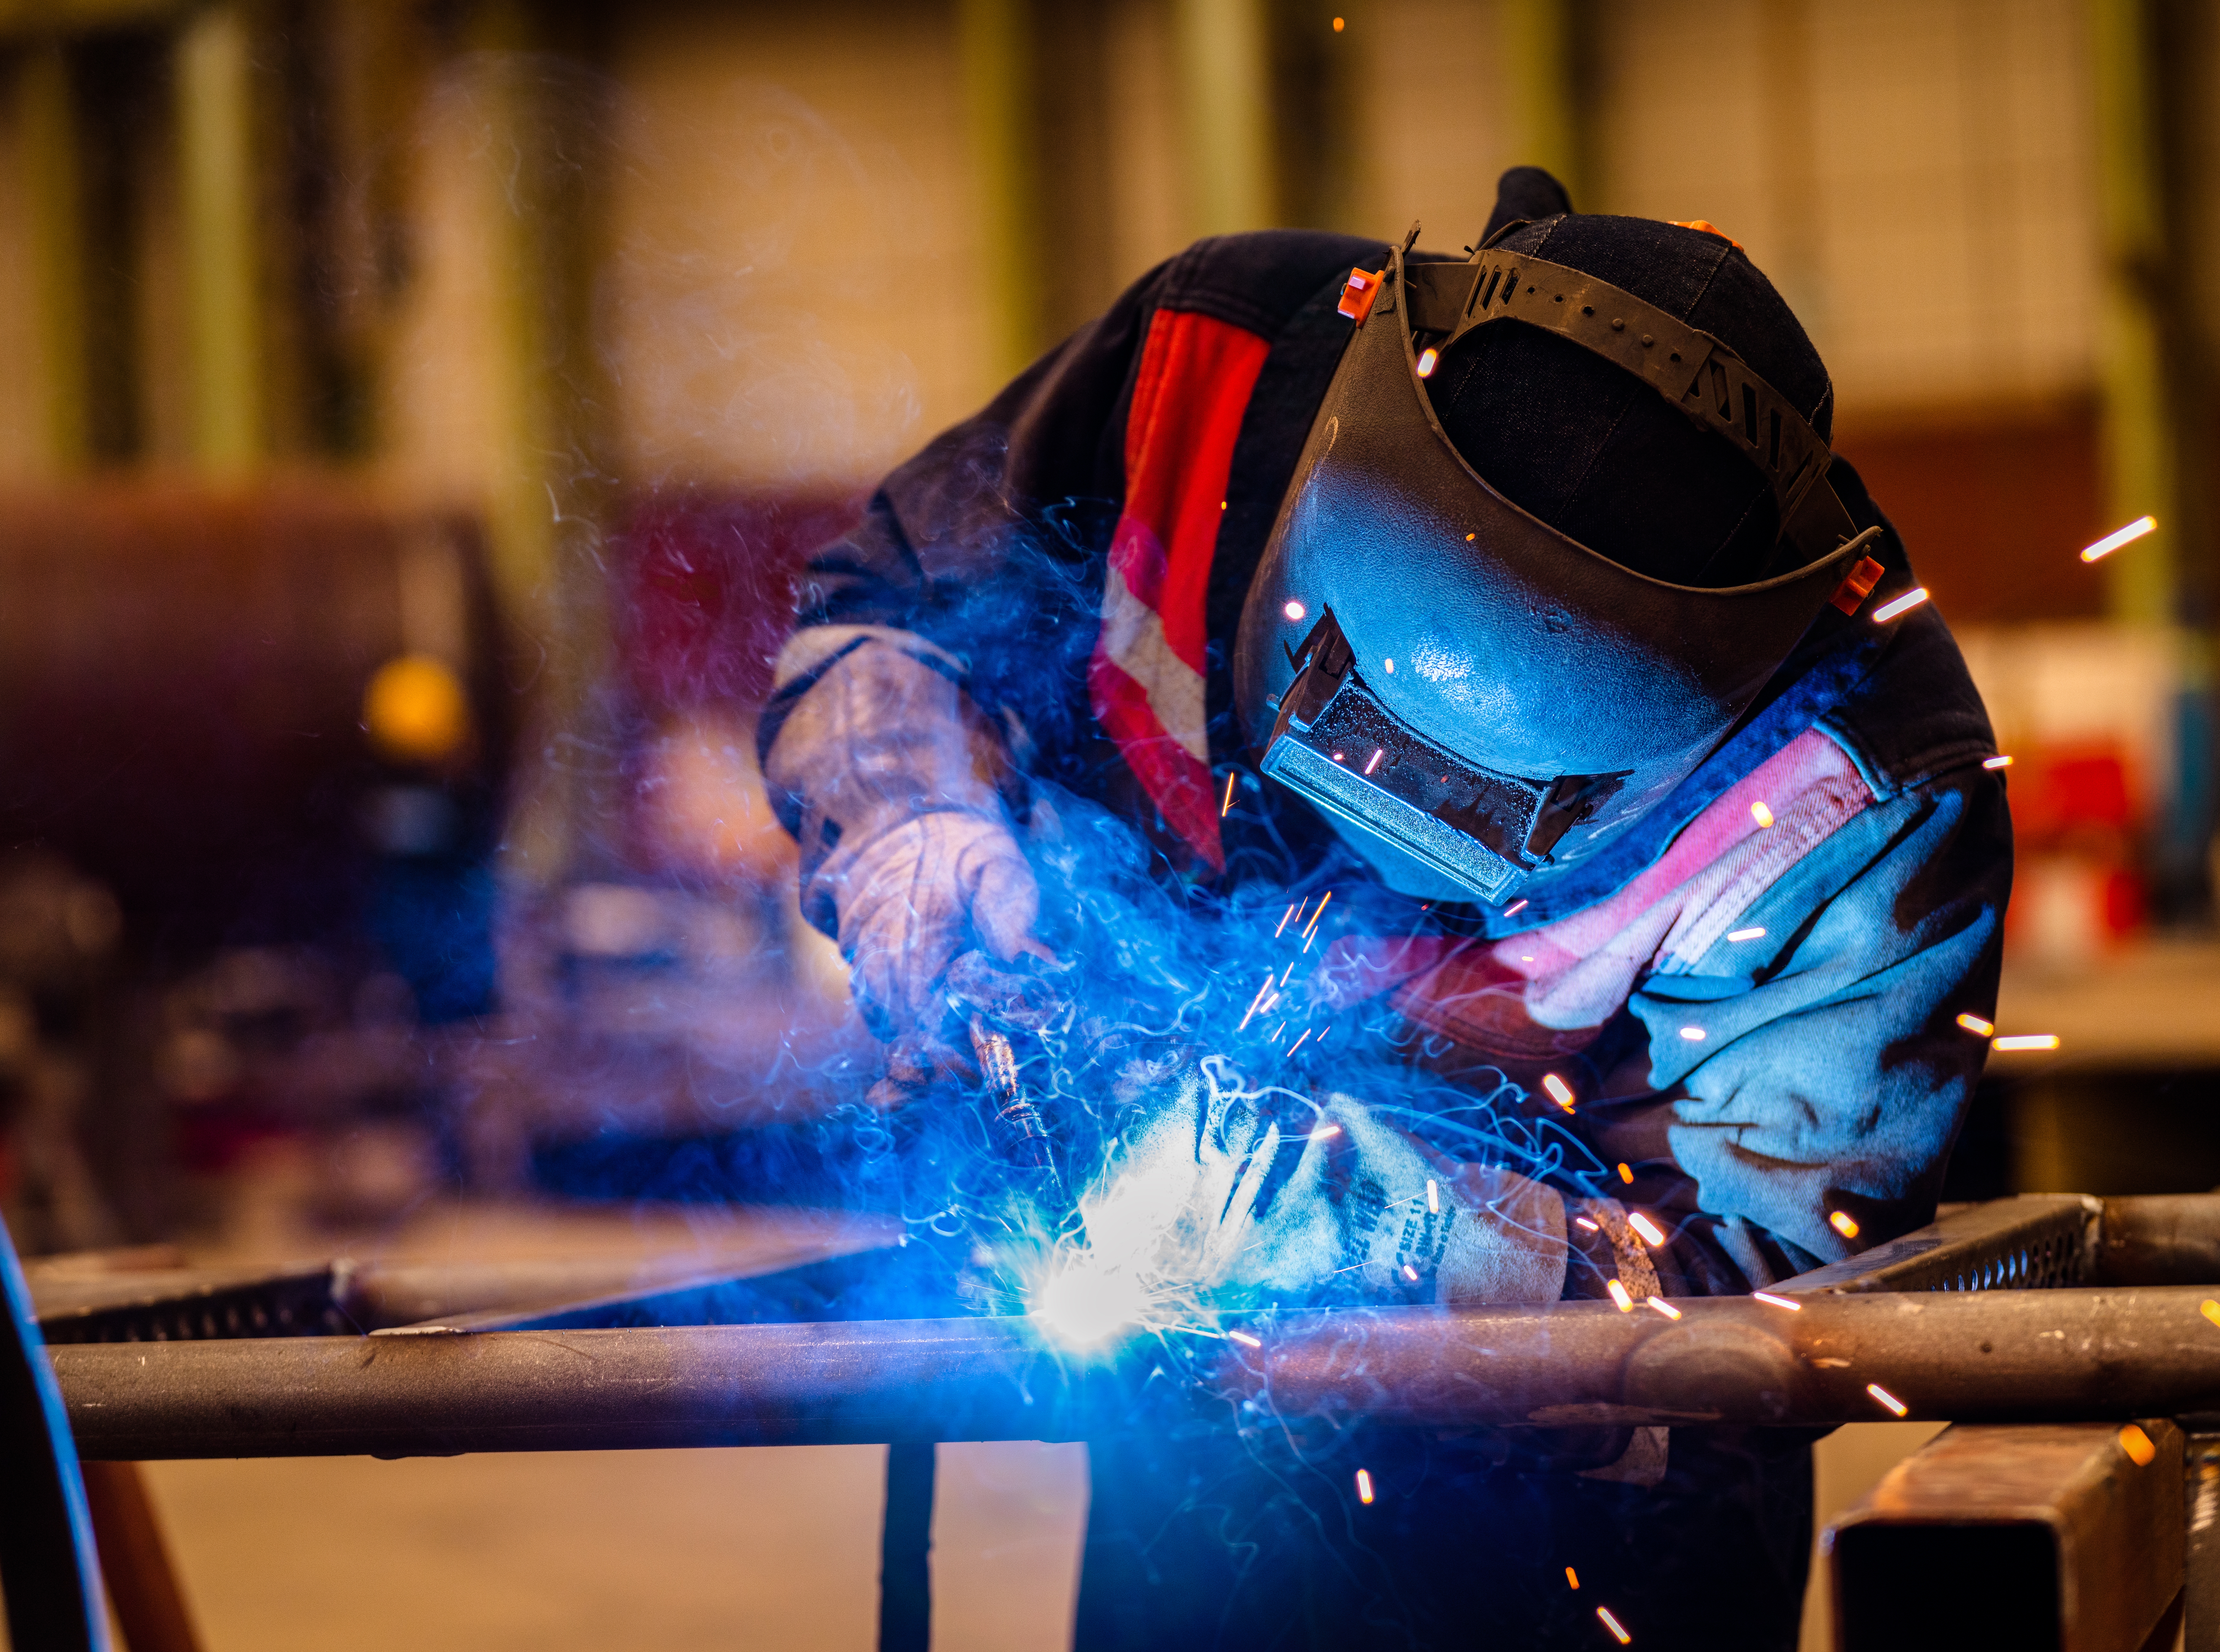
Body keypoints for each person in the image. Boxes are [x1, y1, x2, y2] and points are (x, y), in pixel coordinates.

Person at [758, 168, 2010, 1650]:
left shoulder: (1866, 783)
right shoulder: (1208, 368)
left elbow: (1768, 1330)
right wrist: (908, 809)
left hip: (1591, 1524)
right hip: (1195, 1451)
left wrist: (1380, 1222)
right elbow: (884, 615)